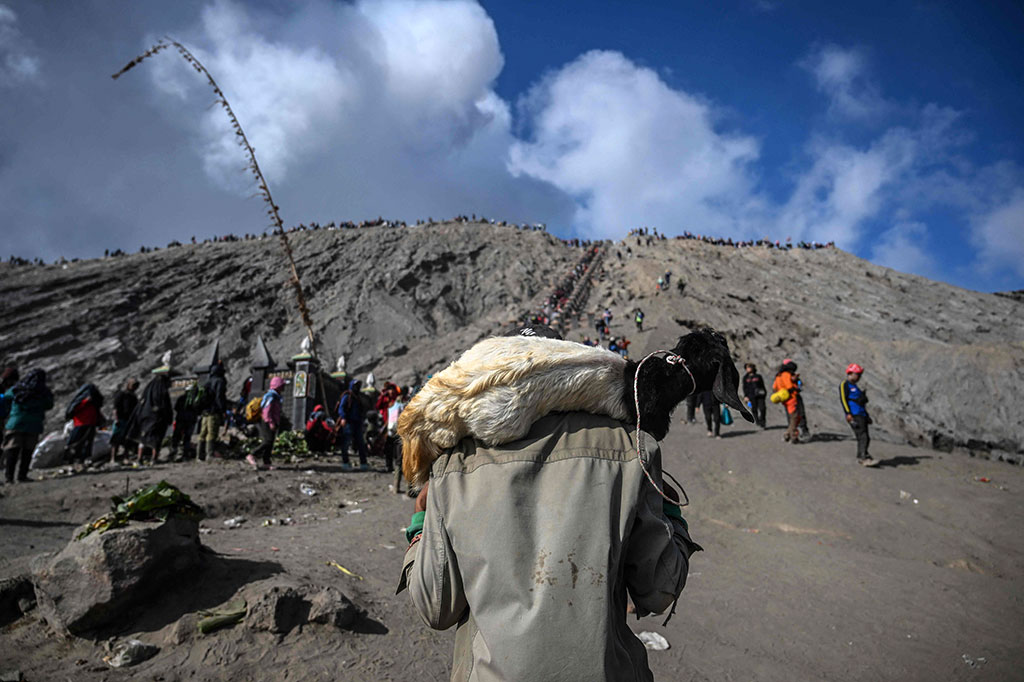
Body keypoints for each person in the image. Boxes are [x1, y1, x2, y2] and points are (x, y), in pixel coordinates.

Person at [397, 405, 699, 680]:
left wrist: (421, 524)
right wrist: (670, 512)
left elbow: (435, 608)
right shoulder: (631, 447)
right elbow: (659, 591)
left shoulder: (456, 462)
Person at [2, 369, 54, 483]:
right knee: (27, 452)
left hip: (16, 422)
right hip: (34, 425)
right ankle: (22, 476)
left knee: (12, 450)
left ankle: (9, 477)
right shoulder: (44, 392)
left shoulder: (18, 388)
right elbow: (49, 405)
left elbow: (6, 396)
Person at [127, 370, 173, 465]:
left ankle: (139, 459)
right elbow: (165, 406)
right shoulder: (161, 392)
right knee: (156, 439)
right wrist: (168, 417)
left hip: (144, 417)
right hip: (157, 418)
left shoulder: (148, 390)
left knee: (143, 438)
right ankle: (154, 459)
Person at [840, 363, 877, 467]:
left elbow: (861, 403)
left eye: (859, 375)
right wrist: (848, 413)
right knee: (862, 436)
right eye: (857, 374)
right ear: (850, 373)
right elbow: (843, 399)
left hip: (861, 414)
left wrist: (867, 415)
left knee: (865, 437)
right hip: (854, 414)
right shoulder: (845, 385)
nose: (858, 377)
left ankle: (862, 455)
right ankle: (863, 457)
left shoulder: (856, 387)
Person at [64, 383, 104, 471]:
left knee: (87, 443)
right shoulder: (80, 400)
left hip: (90, 424)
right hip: (80, 423)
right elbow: (74, 409)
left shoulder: (95, 401)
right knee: (76, 443)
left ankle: (82, 461)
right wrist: (85, 401)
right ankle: (71, 461)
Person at [248, 376, 284, 470]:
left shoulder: (276, 396)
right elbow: (266, 411)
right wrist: (271, 423)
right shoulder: (271, 396)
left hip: (272, 421)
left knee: (271, 442)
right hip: (267, 421)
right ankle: (253, 454)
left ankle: (266, 462)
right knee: (267, 441)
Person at [337, 379, 369, 471]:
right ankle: (345, 463)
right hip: (348, 422)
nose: (357, 387)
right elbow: (341, 408)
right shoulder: (347, 396)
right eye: (356, 386)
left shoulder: (357, 398)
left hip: (357, 423)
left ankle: (363, 463)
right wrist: (343, 418)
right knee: (346, 443)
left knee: (360, 443)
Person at [198, 362, 228, 461]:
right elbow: (219, 397)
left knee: (203, 433)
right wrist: (223, 409)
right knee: (211, 433)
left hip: (204, 412)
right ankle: (209, 454)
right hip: (213, 411)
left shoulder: (207, 382)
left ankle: (199, 455)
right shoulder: (219, 381)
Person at [109, 378, 139, 462]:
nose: (134, 388)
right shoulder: (121, 394)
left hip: (129, 421)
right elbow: (115, 408)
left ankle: (126, 457)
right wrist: (117, 419)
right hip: (121, 419)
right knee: (116, 440)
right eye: (133, 385)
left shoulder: (133, 396)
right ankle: (113, 459)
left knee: (127, 439)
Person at [170, 381, 201, 461]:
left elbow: (176, 408)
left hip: (180, 419)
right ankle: (185, 455)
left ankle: (173, 454)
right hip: (190, 421)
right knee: (187, 438)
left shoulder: (181, 398)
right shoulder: (195, 400)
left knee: (176, 438)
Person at [772, 359, 801, 444]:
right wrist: (795, 384)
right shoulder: (786, 375)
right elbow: (789, 387)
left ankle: (787, 434)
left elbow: (774, 388)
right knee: (794, 417)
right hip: (791, 399)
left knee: (793, 417)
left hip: (783, 399)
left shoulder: (778, 376)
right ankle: (793, 437)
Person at [742, 363, 767, 428]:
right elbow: (745, 388)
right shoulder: (745, 378)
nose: (748, 368)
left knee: (762, 408)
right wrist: (746, 396)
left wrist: (764, 393)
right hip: (751, 396)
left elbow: (762, 385)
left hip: (760, 395)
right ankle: (757, 420)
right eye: (747, 367)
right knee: (754, 409)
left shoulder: (758, 376)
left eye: (750, 367)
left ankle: (763, 421)